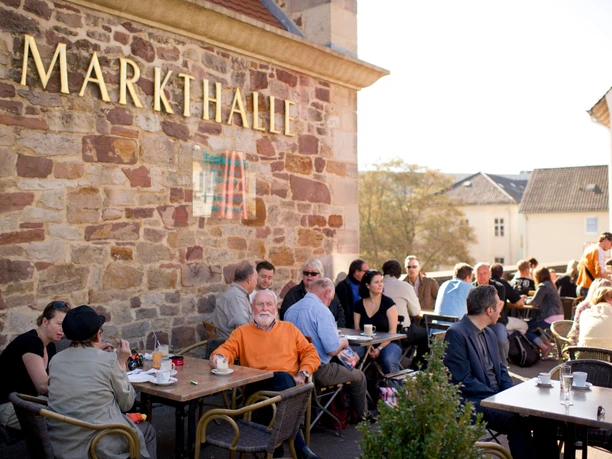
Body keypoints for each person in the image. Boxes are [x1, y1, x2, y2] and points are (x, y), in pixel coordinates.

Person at [444, 285, 559, 459]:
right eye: (499, 304)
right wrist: (498, 399)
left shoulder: (489, 333)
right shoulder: (456, 333)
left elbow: (501, 369)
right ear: (490, 310)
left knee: (545, 416)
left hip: (497, 397)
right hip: (472, 401)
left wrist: (509, 393)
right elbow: (463, 380)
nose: (501, 308)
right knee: (518, 420)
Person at [211, 290, 321, 459]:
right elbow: (227, 349)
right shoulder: (242, 332)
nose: (265, 308)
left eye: (269, 304)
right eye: (259, 304)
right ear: (251, 308)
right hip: (258, 388)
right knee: (284, 379)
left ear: (275, 307)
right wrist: (219, 356)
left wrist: (302, 372)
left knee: (284, 382)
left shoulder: (289, 329)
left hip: (291, 386)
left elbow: (310, 353)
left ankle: (275, 448)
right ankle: (299, 447)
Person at [48, 305, 157, 459]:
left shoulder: (55, 360)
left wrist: (100, 354)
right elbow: (127, 404)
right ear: (98, 335)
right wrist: (121, 363)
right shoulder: (108, 360)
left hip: (63, 442)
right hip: (98, 442)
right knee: (147, 431)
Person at [285, 278, 369, 422]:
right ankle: (363, 418)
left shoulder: (290, 310)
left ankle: (336, 412)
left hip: (295, 368)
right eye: (331, 298)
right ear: (328, 292)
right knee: (359, 376)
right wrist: (343, 342)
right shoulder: (322, 312)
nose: (330, 301)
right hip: (319, 370)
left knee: (346, 368)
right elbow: (332, 350)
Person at [0, 300, 70, 430]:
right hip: (8, 406)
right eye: (59, 324)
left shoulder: (50, 347)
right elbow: (43, 387)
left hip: (29, 402)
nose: (62, 330)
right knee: (65, 421)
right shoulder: (30, 342)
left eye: (65, 325)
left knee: (72, 412)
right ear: (45, 322)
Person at [353, 270, 402, 375]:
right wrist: (367, 345)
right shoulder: (358, 305)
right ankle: (352, 387)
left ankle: (396, 390)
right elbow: (357, 331)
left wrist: (379, 348)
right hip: (366, 343)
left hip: (389, 342)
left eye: (381, 281)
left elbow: (392, 332)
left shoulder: (389, 303)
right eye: (376, 282)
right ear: (367, 285)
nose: (381, 285)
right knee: (350, 358)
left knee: (388, 359)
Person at [382, 259, 428, 367]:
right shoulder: (405, 286)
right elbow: (415, 311)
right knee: (425, 335)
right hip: (400, 332)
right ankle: (417, 367)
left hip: (379, 330)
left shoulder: (377, 284)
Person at [280, 259, 345, 327]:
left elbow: (340, 312)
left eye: (313, 274)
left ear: (321, 275)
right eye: (306, 273)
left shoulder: (328, 291)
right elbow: (285, 316)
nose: (309, 276)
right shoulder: (293, 293)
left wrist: (338, 329)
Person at [474, 263, 511, 366]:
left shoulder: (499, 287)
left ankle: (503, 366)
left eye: (485, 273)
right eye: (479, 274)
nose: (482, 276)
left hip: (496, 321)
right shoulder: (471, 287)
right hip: (477, 323)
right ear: (474, 275)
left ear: (490, 273)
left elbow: (499, 307)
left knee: (501, 340)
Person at [212, 260, 258, 339]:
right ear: (249, 279)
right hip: (231, 346)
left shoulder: (235, 293)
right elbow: (243, 325)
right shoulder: (237, 296)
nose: (256, 283)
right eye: (256, 279)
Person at [525, 267, 564, 358]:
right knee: (534, 327)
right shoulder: (550, 284)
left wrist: (523, 300)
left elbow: (534, 303)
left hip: (550, 316)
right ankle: (548, 345)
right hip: (558, 316)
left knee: (525, 328)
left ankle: (544, 347)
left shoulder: (543, 286)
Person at [568, 278, 612, 345]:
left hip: (587, 349)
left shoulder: (584, 309)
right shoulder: (584, 309)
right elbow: (575, 333)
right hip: (585, 344)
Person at [335, 259, 369, 328]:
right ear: (357, 272)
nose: (367, 274)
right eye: (366, 271)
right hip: (349, 326)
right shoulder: (342, 287)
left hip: (365, 324)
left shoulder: (366, 285)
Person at [576, 232, 612, 297]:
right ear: (606, 240)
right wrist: (610, 282)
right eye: (611, 244)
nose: (611, 247)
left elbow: (580, 267)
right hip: (590, 288)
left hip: (581, 286)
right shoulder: (599, 250)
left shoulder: (589, 248)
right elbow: (600, 271)